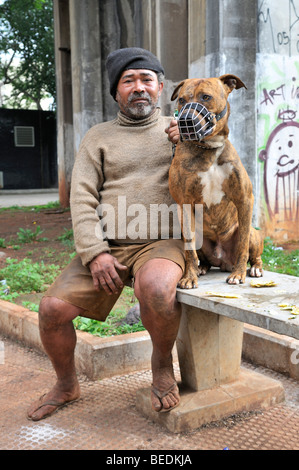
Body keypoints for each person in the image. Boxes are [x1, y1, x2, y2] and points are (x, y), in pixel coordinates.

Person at [27, 47, 183, 421]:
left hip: (162, 241)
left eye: (147, 80)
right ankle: (67, 383)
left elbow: (220, 174)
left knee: (158, 290)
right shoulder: (98, 136)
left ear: (160, 88)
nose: (139, 88)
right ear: (116, 93)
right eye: (128, 81)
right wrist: (95, 252)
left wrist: (197, 144)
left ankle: (162, 365)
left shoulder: (181, 129)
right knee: (51, 310)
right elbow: (81, 198)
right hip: (108, 243)